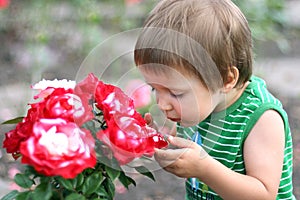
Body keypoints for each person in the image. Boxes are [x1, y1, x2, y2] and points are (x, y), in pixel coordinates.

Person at [133, 0, 295, 199]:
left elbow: (263, 194)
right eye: (154, 88)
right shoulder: (198, 106)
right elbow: (180, 144)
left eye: (175, 93)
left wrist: (205, 169)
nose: (161, 104)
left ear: (225, 79)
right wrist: (155, 140)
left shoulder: (261, 118)